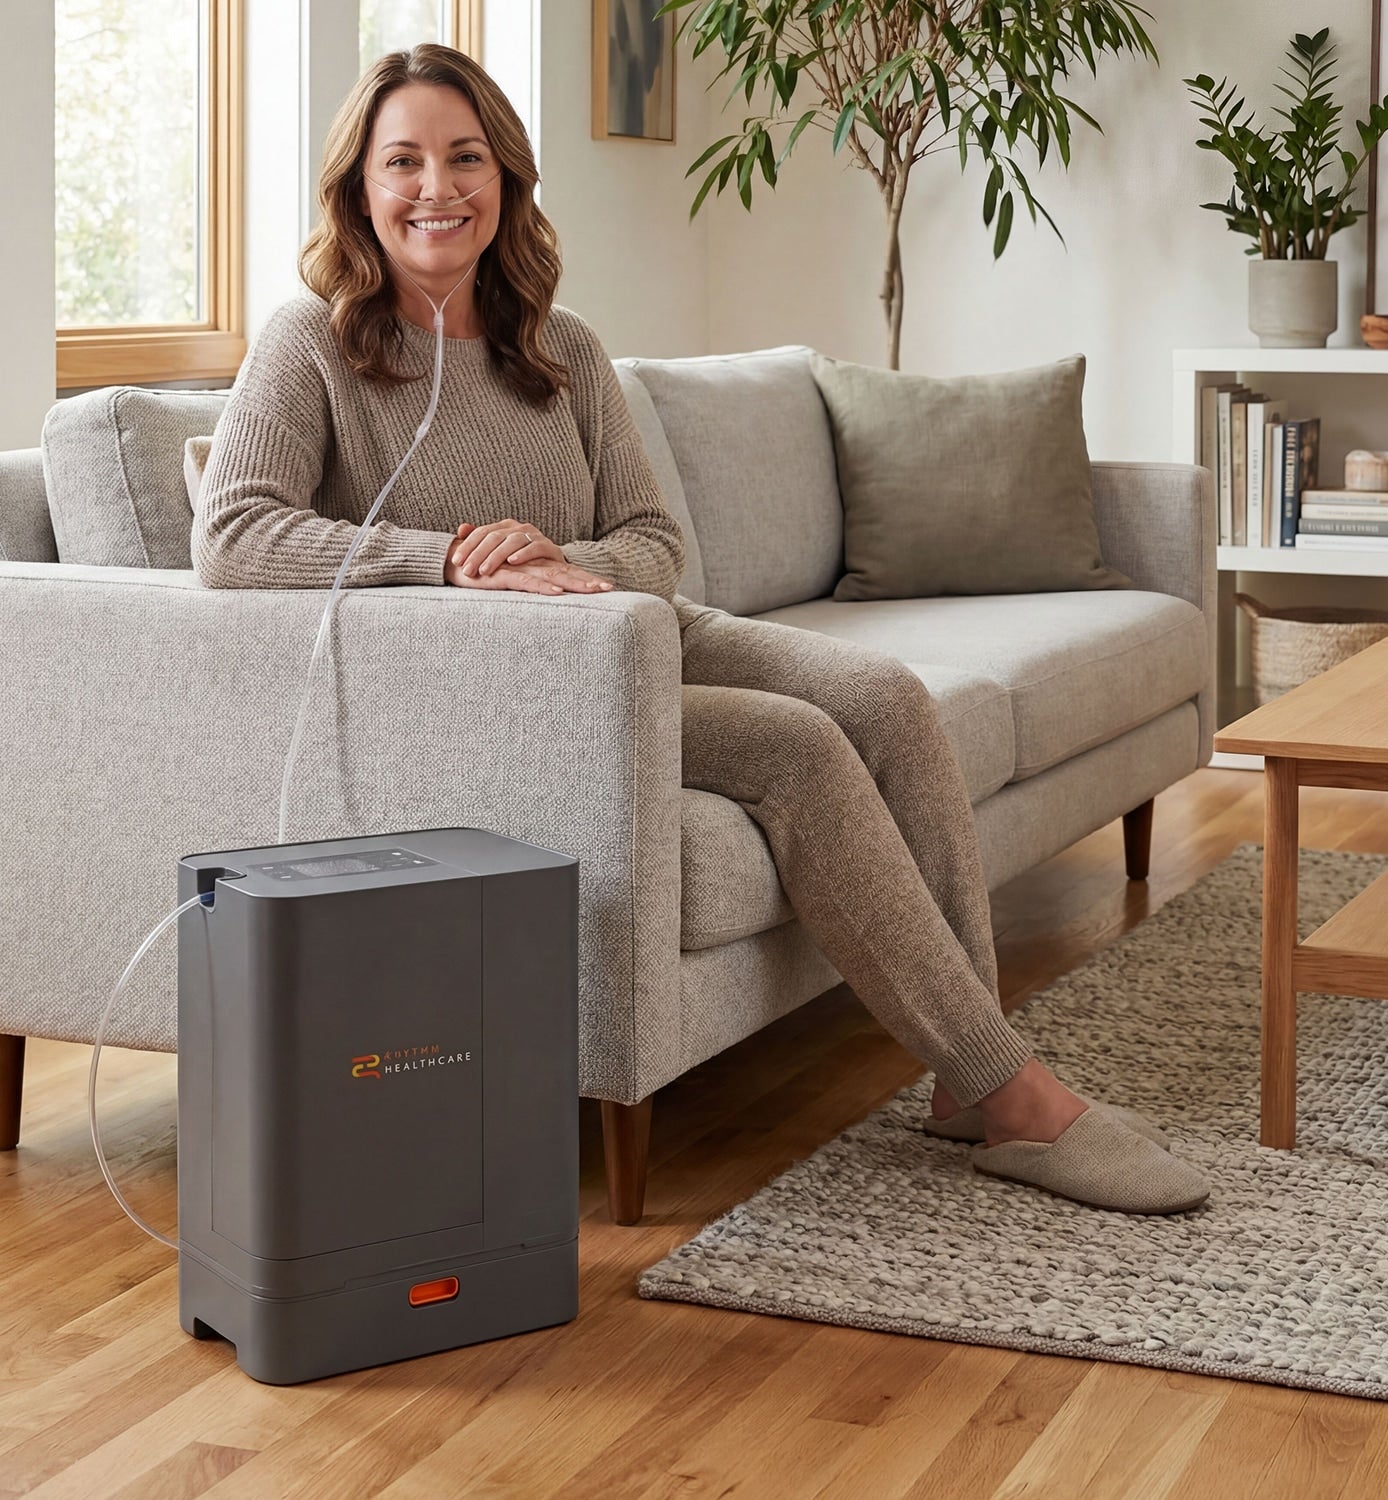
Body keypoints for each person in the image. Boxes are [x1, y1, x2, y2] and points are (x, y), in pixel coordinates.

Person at [192, 44, 1210, 1216]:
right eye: (404, 161)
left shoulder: (559, 346)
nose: (438, 187)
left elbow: (650, 539)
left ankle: (967, 1077)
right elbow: (233, 538)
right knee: (795, 748)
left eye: (465, 156)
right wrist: (452, 559)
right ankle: (1012, 1092)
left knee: (887, 698)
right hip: (517, 683)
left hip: (639, 623)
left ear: (508, 178)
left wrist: (560, 559)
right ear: (358, 189)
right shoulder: (310, 343)